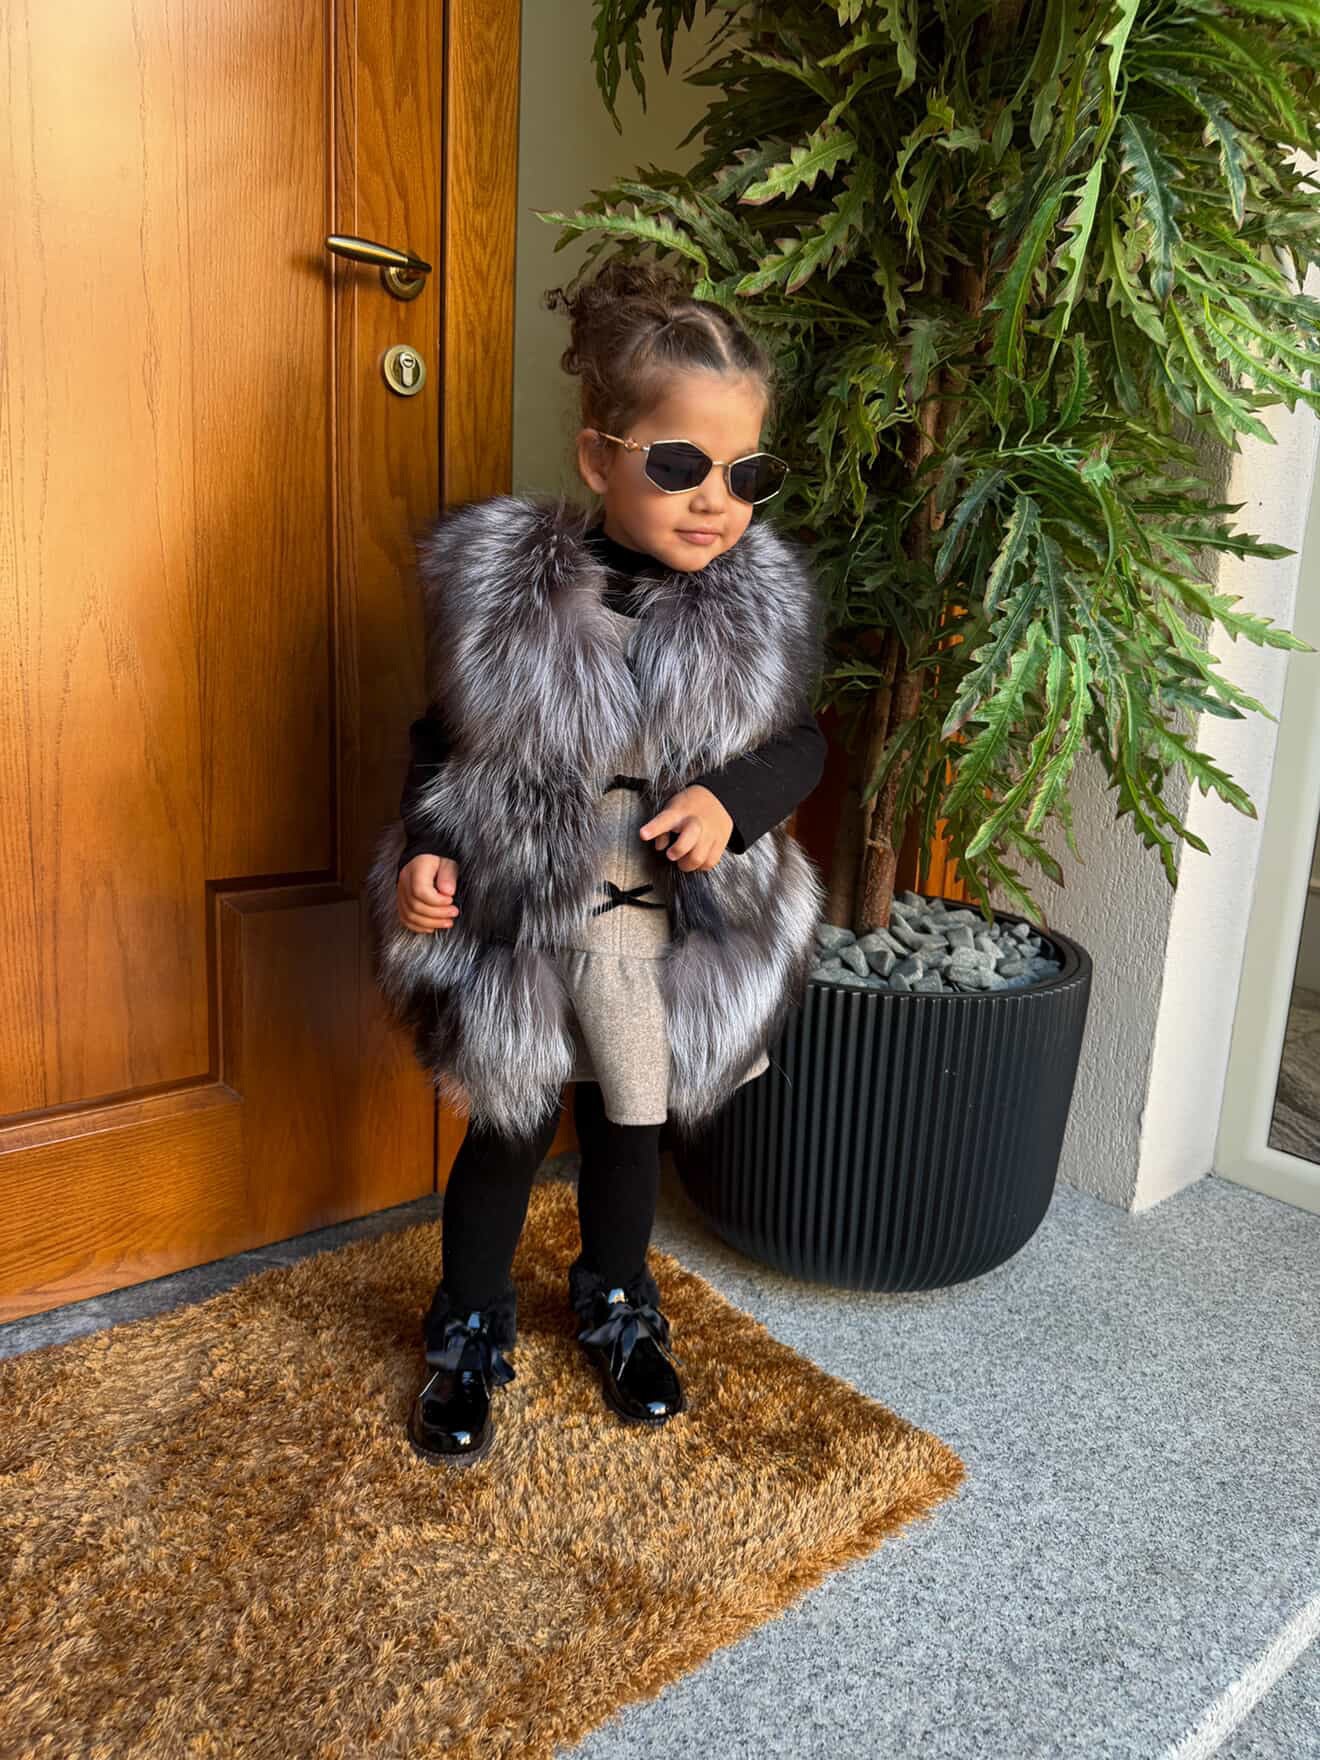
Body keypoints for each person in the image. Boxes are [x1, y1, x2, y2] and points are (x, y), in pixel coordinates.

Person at [364, 257, 829, 1467]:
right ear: (599, 456)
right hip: (526, 926)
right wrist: (429, 851)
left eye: (747, 474)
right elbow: (444, 744)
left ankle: (619, 1300)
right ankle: (469, 1323)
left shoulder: (752, 616)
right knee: (507, 1130)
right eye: (679, 464)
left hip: (656, 941)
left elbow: (799, 746)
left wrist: (729, 800)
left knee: (632, 1127)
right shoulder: (509, 605)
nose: (715, 500)